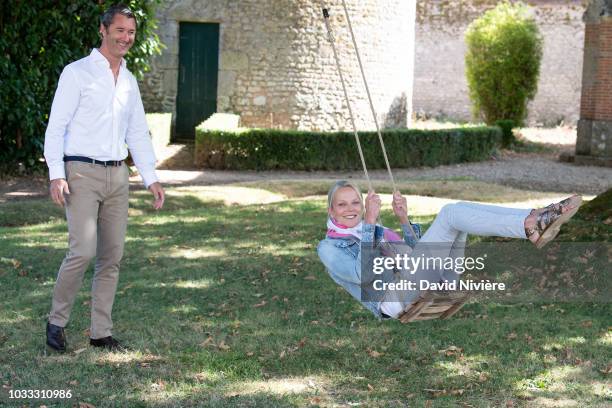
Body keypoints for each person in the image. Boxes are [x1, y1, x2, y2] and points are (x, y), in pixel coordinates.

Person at [43, 4, 165, 352]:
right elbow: (56, 129)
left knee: (112, 256)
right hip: (80, 172)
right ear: (103, 30)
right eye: (120, 30)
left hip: (118, 176)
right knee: (82, 251)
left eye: (131, 32)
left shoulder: (128, 80)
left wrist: (150, 178)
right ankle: (56, 322)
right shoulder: (77, 73)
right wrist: (56, 174)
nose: (126, 38)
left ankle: (101, 332)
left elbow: (138, 133)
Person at [317, 180, 581, 320]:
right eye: (342, 205)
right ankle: (531, 225)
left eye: (355, 203)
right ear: (331, 211)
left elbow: (415, 253)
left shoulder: (374, 231)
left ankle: (535, 217)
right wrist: (371, 223)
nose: (351, 209)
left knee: (459, 213)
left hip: (423, 281)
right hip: (394, 298)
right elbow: (362, 275)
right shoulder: (329, 247)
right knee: (451, 214)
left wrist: (403, 220)